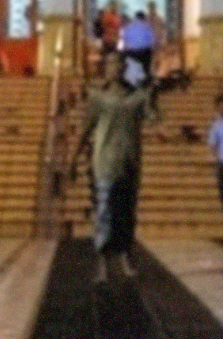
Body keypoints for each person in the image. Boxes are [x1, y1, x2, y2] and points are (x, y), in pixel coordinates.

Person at [73, 51, 158, 282]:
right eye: (112, 64)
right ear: (105, 68)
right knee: (103, 212)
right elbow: (85, 129)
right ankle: (102, 261)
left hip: (129, 163)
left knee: (127, 213)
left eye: (120, 64)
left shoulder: (137, 97)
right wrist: (73, 159)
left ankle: (125, 256)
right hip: (104, 162)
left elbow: (154, 119)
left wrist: (153, 94)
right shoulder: (98, 98)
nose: (117, 68)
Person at [120, 11, 156, 86]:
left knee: (127, 65)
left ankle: (127, 82)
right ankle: (146, 79)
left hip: (131, 52)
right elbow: (152, 40)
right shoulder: (147, 26)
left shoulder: (128, 26)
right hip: (144, 52)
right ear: (144, 18)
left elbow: (124, 39)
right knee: (146, 65)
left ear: (135, 17)